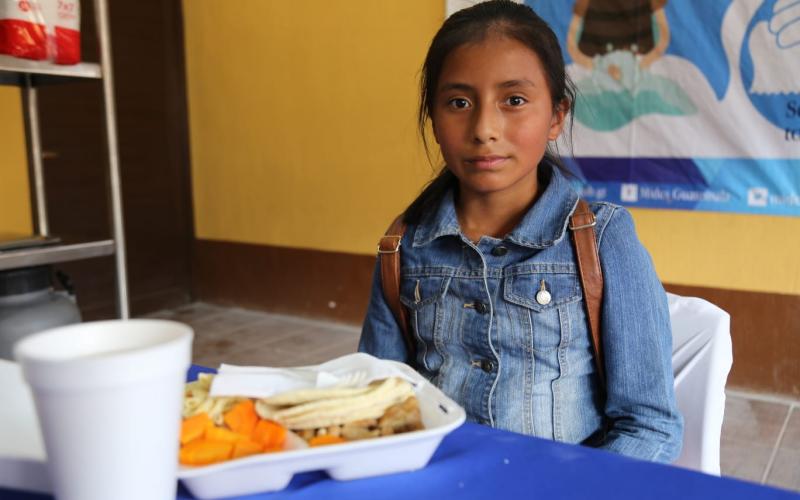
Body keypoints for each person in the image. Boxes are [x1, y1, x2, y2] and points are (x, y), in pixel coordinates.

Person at [359, 0, 682, 463]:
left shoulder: (603, 238)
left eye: (514, 100)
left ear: (556, 116)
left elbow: (649, 426)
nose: (484, 128)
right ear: (433, 118)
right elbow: (379, 403)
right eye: (458, 102)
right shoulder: (403, 247)